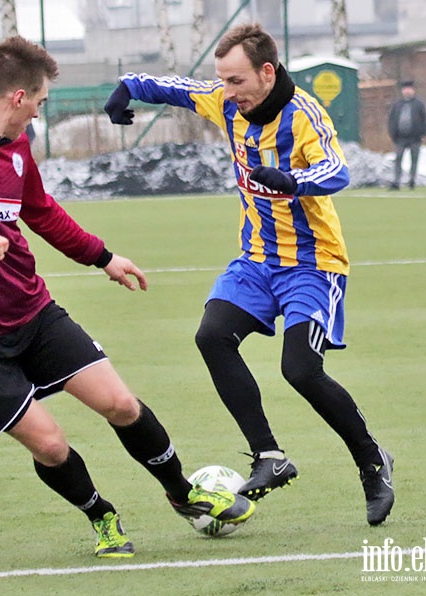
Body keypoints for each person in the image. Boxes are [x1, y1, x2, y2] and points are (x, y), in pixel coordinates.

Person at [0, 35, 255, 559]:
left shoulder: (16, 145)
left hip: (30, 311)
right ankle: (102, 516)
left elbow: (39, 211)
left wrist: (102, 257)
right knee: (51, 444)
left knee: (121, 404)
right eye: (39, 103)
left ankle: (183, 493)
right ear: (18, 96)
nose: (39, 114)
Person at [103, 22, 394, 526]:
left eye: (235, 80)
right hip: (256, 259)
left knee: (301, 371)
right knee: (212, 336)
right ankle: (269, 456)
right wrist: (127, 87)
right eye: (222, 80)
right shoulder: (226, 101)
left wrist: (292, 180)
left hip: (312, 263)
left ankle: (373, 461)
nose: (226, 91)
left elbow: (337, 169)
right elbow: (174, 87)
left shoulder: (303, 114)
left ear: (266, 72)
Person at [386, 80, 426, 190]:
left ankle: (412, 181)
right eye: (405, 89)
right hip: (400, 138)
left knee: (414, 160)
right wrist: (392, 134)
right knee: (398, 159)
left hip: (415, 138)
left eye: (409, 89)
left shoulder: (419, 104)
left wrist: (422, 133)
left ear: (413, 90)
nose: (407, 91)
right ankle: (396, 182)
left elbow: (425, 120)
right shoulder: (397, 105)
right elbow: (391, 120)